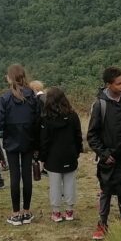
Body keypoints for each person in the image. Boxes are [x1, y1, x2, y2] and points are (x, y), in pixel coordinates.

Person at [87, 66, 121, 241]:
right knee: (106, 191)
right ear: (109, 84)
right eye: (119, 84)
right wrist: (103, 154)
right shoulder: (99, 105)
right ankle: (102, 224)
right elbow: (92, 135)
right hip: (108, 158)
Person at [0, 64, 41, 226]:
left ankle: (15, 214)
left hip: (11, 142)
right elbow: (38, 121)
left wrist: (5, 133)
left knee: (15, 176)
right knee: (27, 175)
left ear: (9, 78)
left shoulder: (4, 98)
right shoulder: (33, 96)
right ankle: (27, 212)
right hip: (29, 141)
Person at [38, 86, 83, 222]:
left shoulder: (46, 118)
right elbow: (78, 136)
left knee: (55, 185)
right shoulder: (73, 115)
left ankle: (56, 212)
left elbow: (44, 141)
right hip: (70, 154)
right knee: (70, 183)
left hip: (53, 157)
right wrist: (77, 152)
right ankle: (69, 211)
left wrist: (42, 158)